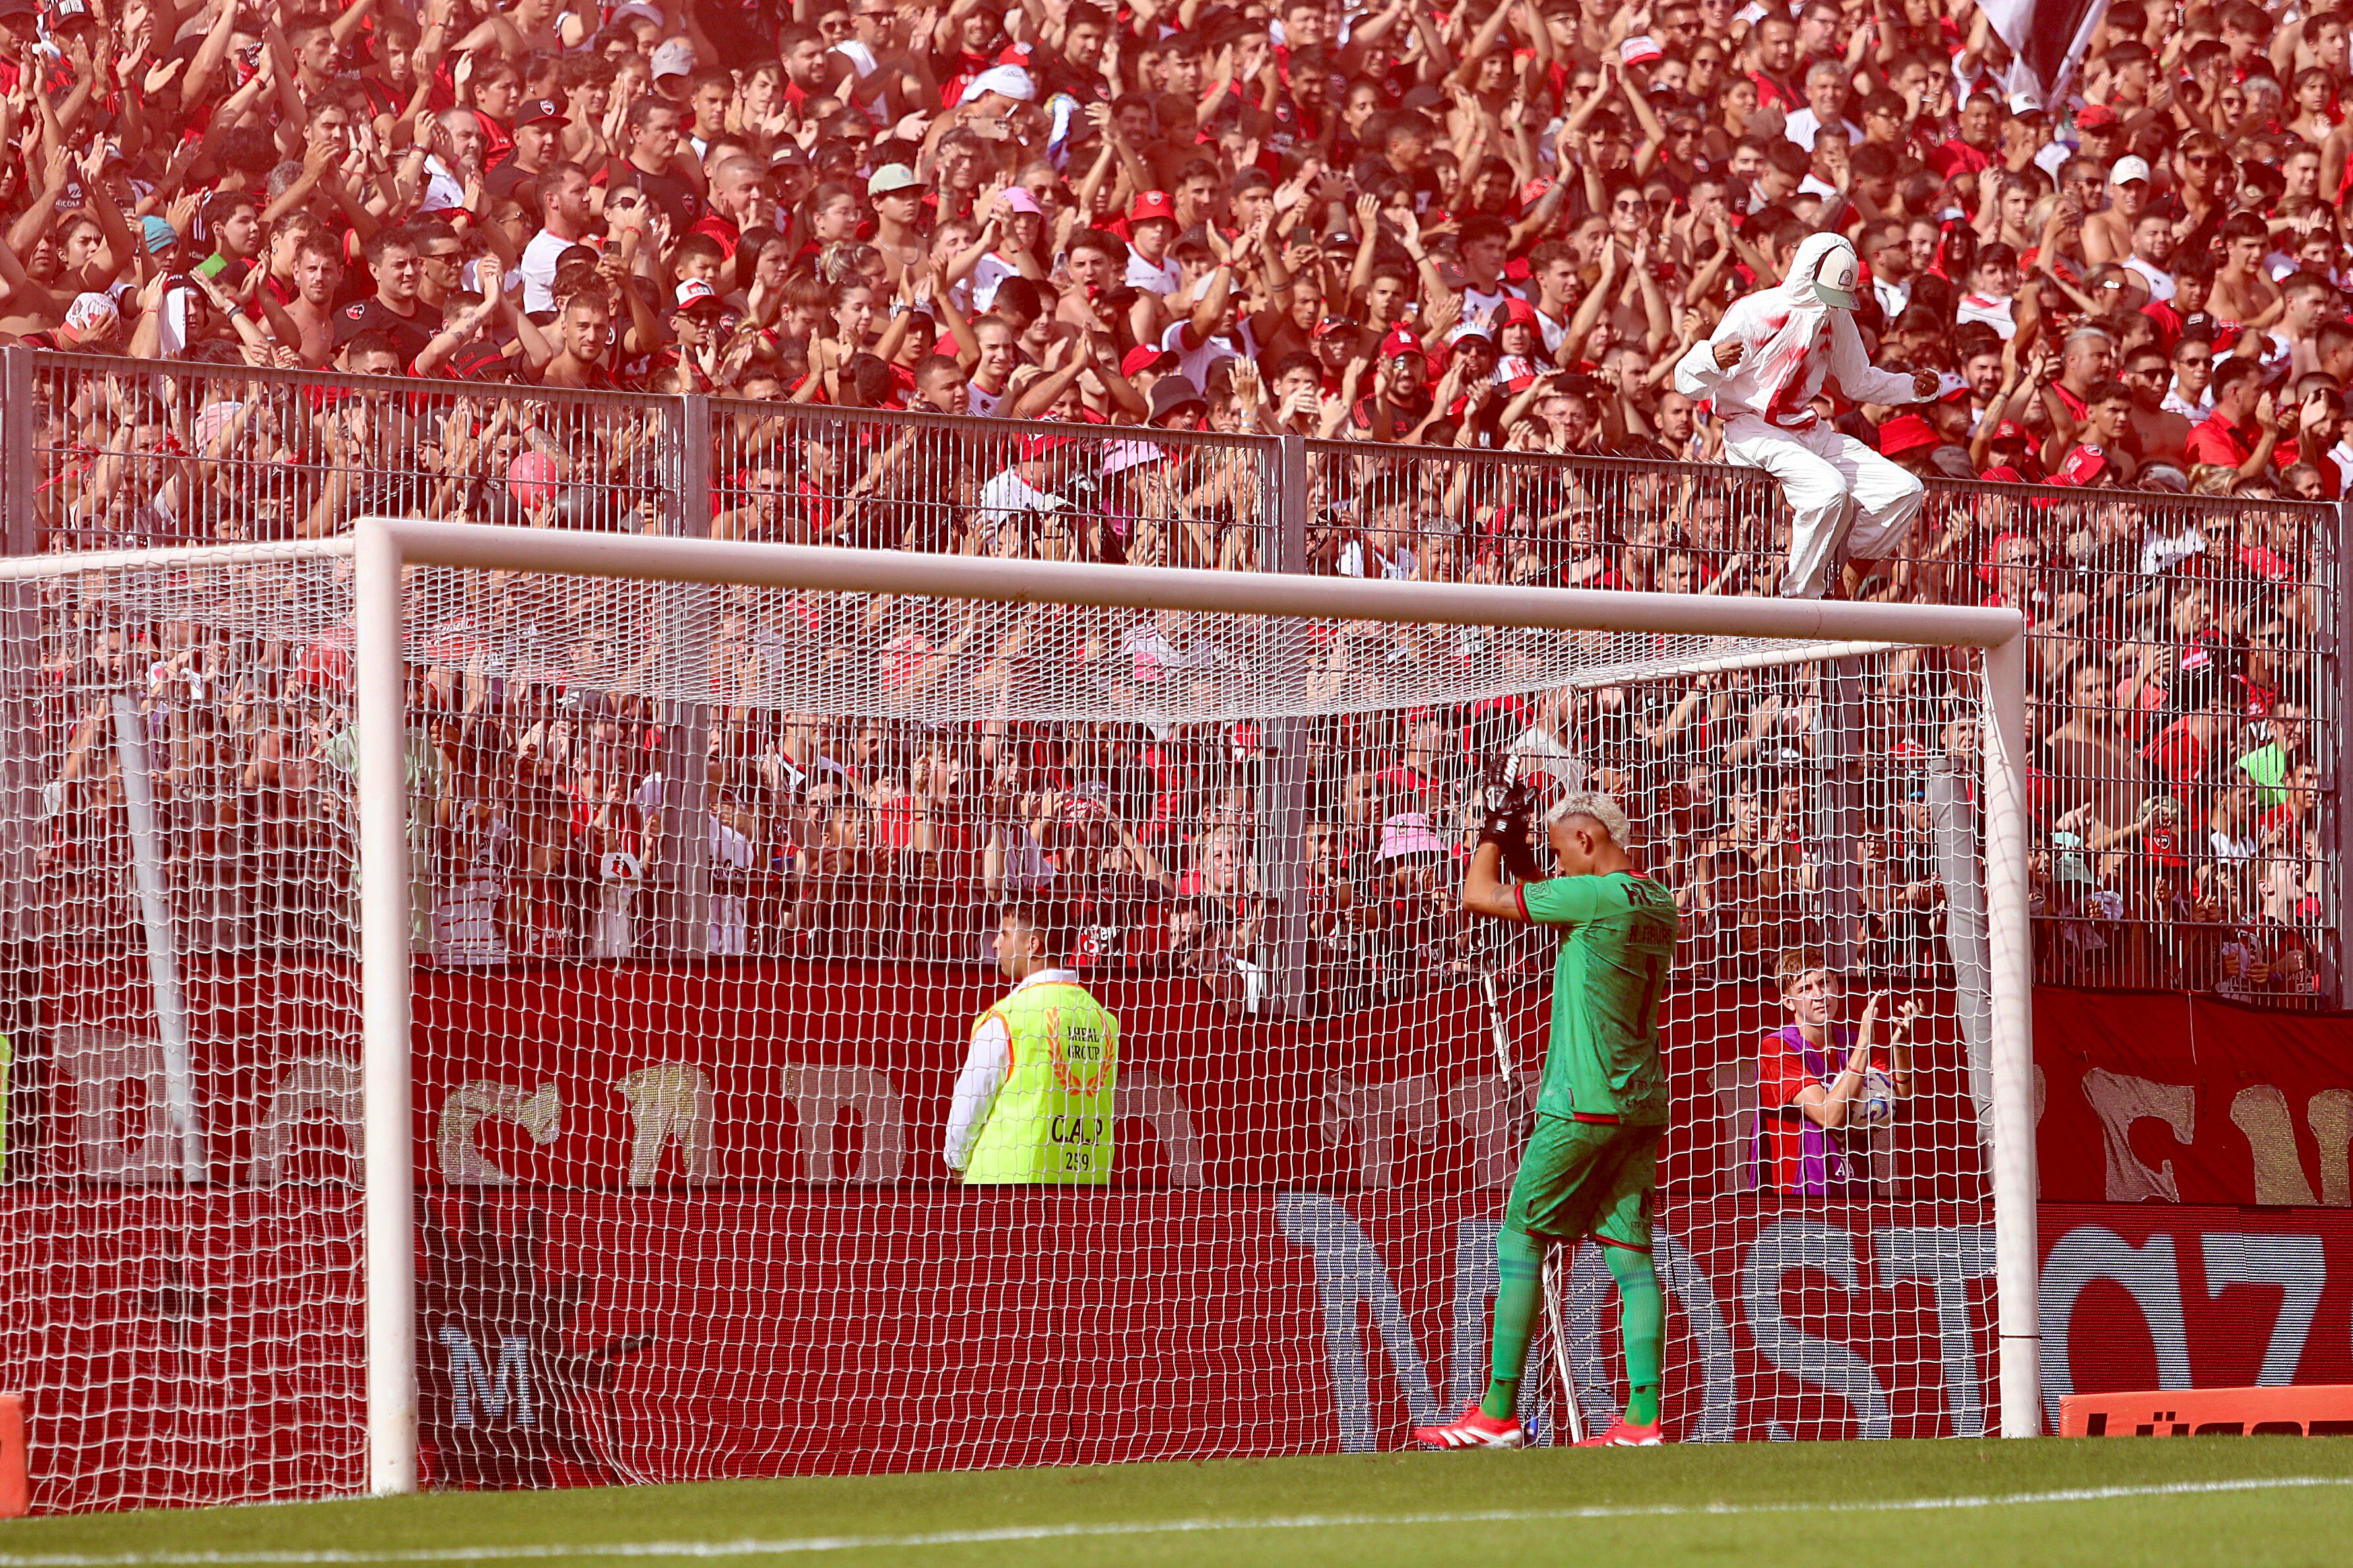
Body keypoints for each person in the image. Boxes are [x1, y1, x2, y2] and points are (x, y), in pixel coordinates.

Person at [1415, 788, 1678, 1451]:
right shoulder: (1656, 899)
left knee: (1520, 1241)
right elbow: (1560, 895)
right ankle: (1643, 1419)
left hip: (1583, 1098)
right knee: (1631, 1258)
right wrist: (1527, 854)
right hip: (1641, 1100)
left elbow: (1477, 895)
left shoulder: (1590, 897)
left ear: (1587, 841)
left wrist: (1492, 836)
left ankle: (1497, 1412)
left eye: (1560, 852)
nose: (1555, 865)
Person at [1671, 234, 1939, 599]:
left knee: (1904, 490)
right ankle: (1800, 597)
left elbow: (1857, 380)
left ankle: (1847, 580)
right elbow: (1687, 383)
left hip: (1806, 427)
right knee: (1828, 491)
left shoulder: (1836, 315)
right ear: (1806, 274)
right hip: (1752, 428)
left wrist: (1911, 386)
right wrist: (1710, 360)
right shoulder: (1754, 312)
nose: (1828, 304)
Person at [944, 899, 1120, 1184]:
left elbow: (969, 1107)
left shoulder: (1006, 1018)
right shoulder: (1103, 1020)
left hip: (1005, 1192)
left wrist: (956, 1163)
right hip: (1086, 1189)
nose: (995, 944)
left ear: (1032, 945)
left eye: (1004, 934)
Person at [1755, 953, 1915, 1195]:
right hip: (1801, 1198)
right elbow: (1829, 1116)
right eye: (1805, 989)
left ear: (1837, 986)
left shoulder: (1851, 1043)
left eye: (1824, 983)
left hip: (1857, 1191)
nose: (1819, 995)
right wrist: (1863, 1045)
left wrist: (1901, 1048)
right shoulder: (1776, 1047)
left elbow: (1903, 1108)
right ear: (1788, 1003)